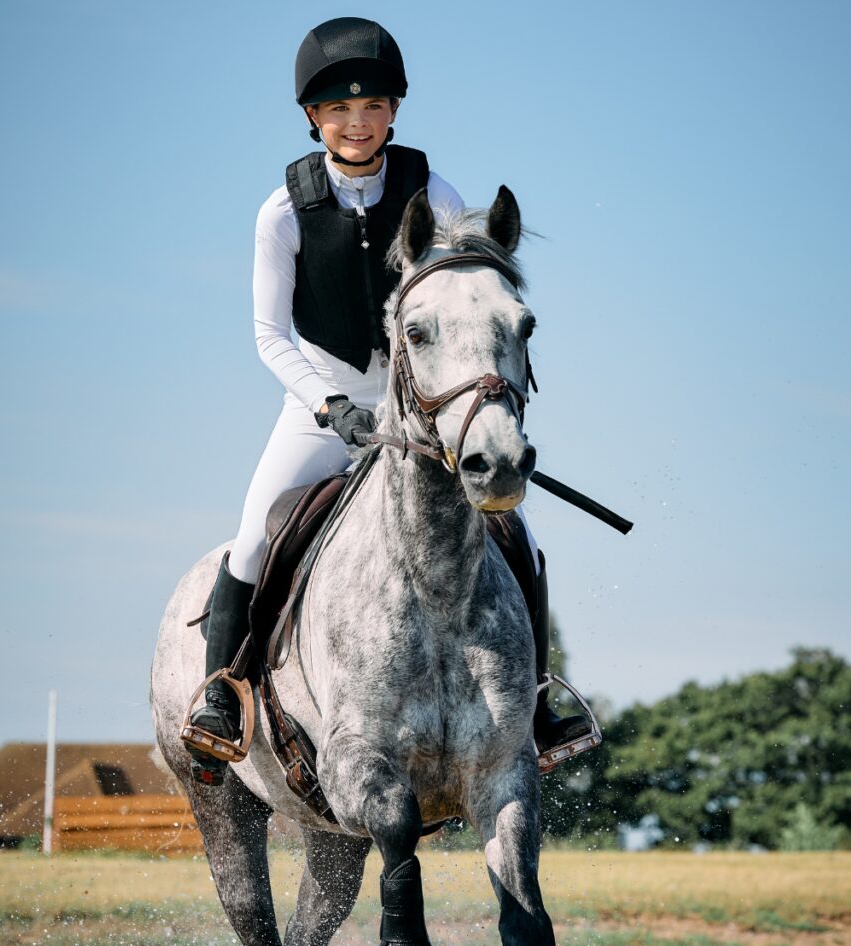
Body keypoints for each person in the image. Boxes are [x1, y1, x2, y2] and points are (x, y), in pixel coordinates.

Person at [184, 16, 590, 785]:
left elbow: (465, 309)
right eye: (338, 109)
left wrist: (460, 405)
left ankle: (539, 700)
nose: (356, 121)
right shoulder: (282, 211)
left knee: (520, 539)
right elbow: (269, 334)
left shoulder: (434, 192)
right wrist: (332, 405)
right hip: (325, 402)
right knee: (252, 537)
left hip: (428, 404)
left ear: (394, 111)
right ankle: (223, 698)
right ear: (313, 117)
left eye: (371, 105)